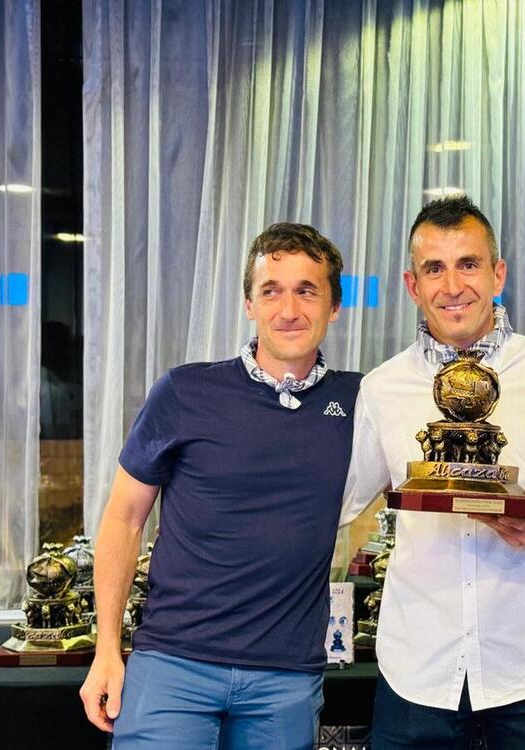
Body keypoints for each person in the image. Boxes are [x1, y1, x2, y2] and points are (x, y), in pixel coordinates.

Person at [341, 195, 525, 749]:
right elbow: (340, 504)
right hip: (418, 668)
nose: (452, 285)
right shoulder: (382, 388)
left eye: (468, 264)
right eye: (433, 269)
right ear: (411, 285)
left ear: (498, 274)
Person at [79, 223, 360, 749]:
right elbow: (123, 518)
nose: (289, 309)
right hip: (172, 665)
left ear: (334, 306)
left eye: (307, 290)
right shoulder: (185, 391)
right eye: (271, 291)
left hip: (286, 677)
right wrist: (106, 649)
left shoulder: (361, 403)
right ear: (249, 305)